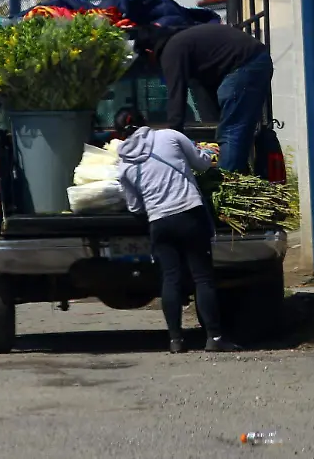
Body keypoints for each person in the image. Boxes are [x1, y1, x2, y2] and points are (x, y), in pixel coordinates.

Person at [116, 112, 238, 354]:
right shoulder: (170, 136)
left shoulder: (124, 165)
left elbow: (134, 206)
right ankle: (214, 337)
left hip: (159, 223)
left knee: (170, 278)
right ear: (146, 123)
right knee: (202, 277)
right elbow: (202, 163)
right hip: (188, 214)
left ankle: (175, 341)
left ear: (120, 135)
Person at [134, 23, 273, 173]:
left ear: (149, 52)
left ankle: (230, 183)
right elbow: (207, 91)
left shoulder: (172, 50)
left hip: (246, 64)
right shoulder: (186, 43)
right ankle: (241, 174)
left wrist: (172, 138)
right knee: (234, 130)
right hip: (252, 61)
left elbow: (176, 96)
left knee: (230, 131)